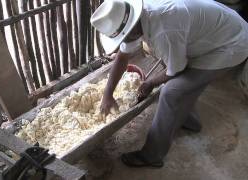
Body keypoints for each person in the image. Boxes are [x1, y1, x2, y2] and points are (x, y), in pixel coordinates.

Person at [90, 0, 248, 168]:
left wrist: (151, 82)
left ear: (133, 28)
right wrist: (108, 94)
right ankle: (188, 120)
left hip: (232, 43)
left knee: (171, 92)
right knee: (186, 85)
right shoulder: (136, 19)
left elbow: (177, 70)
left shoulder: (164, 30)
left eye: (126, 36)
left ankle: (151, 155)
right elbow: (122, 57)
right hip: (218, 31)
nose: (126, 41)